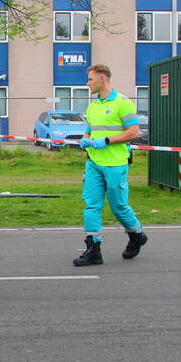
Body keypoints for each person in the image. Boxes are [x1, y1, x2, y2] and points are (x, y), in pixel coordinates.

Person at [73, 63, 147, 266]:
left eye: (90, 79)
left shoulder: (122, 103)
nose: (87, 83)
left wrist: (105, 141)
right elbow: (89, 130)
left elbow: (133, 132)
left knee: (118, 207)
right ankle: (93, 249)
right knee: (91, 206)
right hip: (94, 163)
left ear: (102, 78)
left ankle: (136, 235)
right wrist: (85, 138)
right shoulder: (93, 106)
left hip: (116, 163)